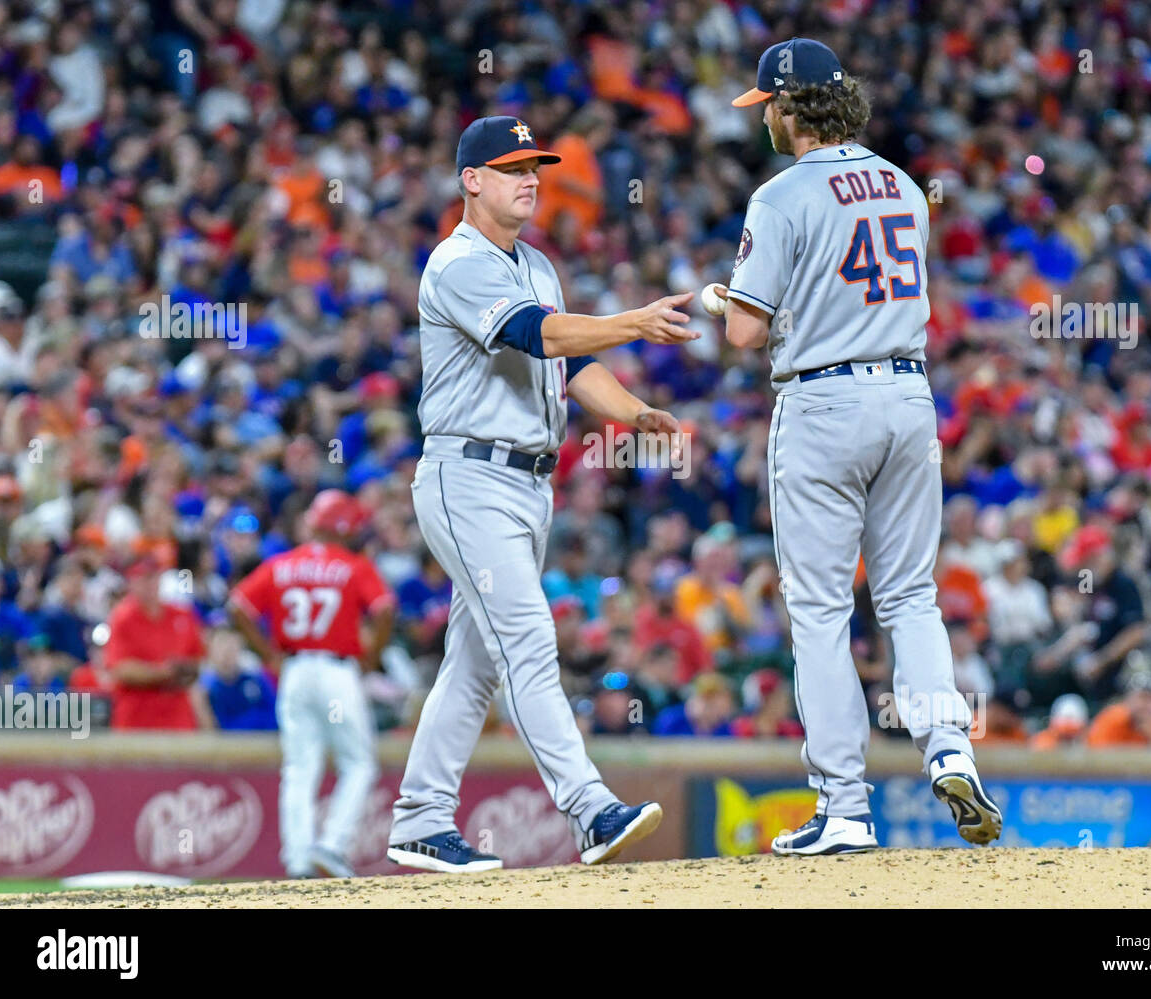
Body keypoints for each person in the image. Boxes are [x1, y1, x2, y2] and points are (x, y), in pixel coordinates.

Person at [714, 39, 1003, 854]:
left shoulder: (779, 195)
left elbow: (744, 329)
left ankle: (843, 806)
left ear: (792, 105)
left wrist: (717, 299)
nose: (762, 114)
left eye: (767, 101)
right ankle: (949, 743)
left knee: (821, 611)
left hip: (824, 401)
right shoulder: (905, 185)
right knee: (910, 595)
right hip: (908, 394)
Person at [387, 115, 697, 872]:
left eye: (536, 167)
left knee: (475, 661)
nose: (531, 179)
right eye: (513, 166)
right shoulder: (457, 263)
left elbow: (565, 363)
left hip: (526, 482)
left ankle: (421, 815)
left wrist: (632, 412)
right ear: (472, 180)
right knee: (526, 639)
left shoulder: (536, 263)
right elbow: (541, 336)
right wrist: (634, 321)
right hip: (469, 476)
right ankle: (589, 808)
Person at [229, 489, 395, 879]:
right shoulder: (354, 565)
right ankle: (333, 844)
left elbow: (237, 605)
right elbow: (385, 609)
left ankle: (298, 859)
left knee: (301, 767)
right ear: (345, 526)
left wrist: (269, 654)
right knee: (358, 763)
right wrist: (372, 657)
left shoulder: (282, 563)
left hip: (295, 669)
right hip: (337, 670)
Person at [104, 557, 206, 730]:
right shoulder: (122, 618)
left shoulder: (182, 615)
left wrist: (186, 670)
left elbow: (199, 659)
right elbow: (120, 669)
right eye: (143, 578)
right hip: (137, 718)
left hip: (177, 716)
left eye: (154, 577)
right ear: (131, 582)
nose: (150, 584)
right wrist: (164, 673)